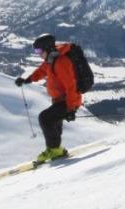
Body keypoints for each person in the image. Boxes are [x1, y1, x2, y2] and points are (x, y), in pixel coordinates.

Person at [15, 33, 83, 163]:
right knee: (53, 122)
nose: (38, 53)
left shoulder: (61, 62)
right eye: (36, 51)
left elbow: (71, 85)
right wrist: (27, 80)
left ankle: (54, 150)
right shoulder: (51, 60)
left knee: (45, 118)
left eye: (39, 50)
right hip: (60, 101)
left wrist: (71, 109)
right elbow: (42, 71)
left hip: (67, 101)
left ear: (48, 48)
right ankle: (56, 149)